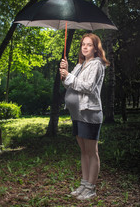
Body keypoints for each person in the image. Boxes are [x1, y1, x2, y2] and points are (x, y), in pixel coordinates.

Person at [59, 33, 110, 200]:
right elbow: (69, 84)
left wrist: (69, 76)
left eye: (89, 45)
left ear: (96, 48)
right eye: (83, 44)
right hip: (78, 113)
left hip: (90, 113)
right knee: (83, 151)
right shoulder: (81, 65)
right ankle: (84, 183)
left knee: (92, 151)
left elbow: (88, 87)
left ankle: (91, 187)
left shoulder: (97, 64)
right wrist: (64, 72)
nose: (85, 47)